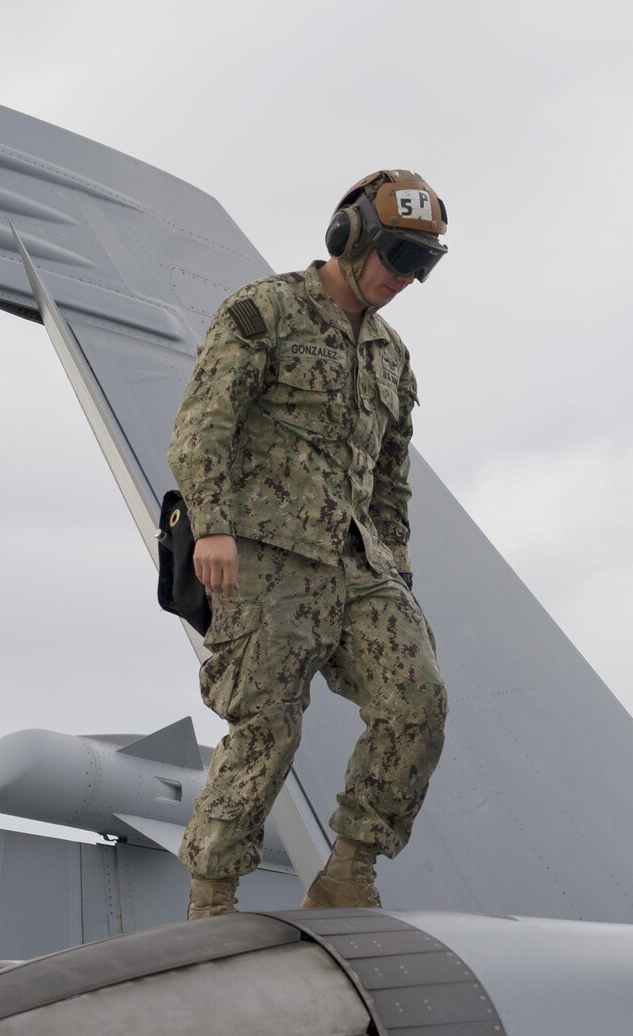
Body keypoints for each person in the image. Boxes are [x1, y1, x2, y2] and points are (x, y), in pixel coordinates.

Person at [168, 170, 451, 918]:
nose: (405, 278)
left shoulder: (392, 356)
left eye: (423, 265)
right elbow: (204, 426)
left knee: (417, 700)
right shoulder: (267, 314)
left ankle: (349, 870)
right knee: (268, 727)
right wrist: (213, 526)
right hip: (266, 555)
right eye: (396, 256)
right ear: (348, 238)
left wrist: (399, 570)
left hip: (358, 564)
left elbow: (391, 479)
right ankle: (211, 897)